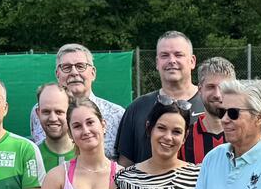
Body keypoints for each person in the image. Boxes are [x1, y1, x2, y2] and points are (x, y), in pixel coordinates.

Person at [117, 31, 203, 165]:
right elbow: (125, 164)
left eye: (178, 54)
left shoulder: (210, 105)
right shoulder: (138, 108)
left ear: (192, 61)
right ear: (157, 63)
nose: (172, 60)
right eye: (165, 55)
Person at [29, 43, 124, 160]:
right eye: (66, 67)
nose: (74, 72)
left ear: (93, 73)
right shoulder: (38, 111)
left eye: (80, 66)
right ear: (57, 74)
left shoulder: (118, 115)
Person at [182, 57, 234, 165]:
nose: (217, 95)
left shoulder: (246, 135)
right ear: (200, 90)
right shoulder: (184, 138)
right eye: (211, 87)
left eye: (223, 87)